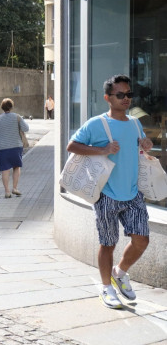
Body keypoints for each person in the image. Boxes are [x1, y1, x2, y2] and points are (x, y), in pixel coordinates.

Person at [66, 74, 152, 309]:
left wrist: (146, 144)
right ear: (108, 98)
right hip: (106, 194)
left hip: (133, 193)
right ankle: (106, 287)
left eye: (129, 94)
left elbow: (143, 144)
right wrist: (101, 149)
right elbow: (71, 145)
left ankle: (120, 272)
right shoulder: (97, 123)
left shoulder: (135, 122)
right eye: (120, 95)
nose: (126, 99)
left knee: (141, 240)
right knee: (108, 243)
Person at [0, 98, 29, 199]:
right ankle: (15, 188)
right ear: (11, 107)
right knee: (16, 167)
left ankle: (7, 191)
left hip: (2, 148)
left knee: (5, 170)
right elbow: (26, 128)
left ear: (2, 107)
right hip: (16, 146)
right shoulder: (17, 117)